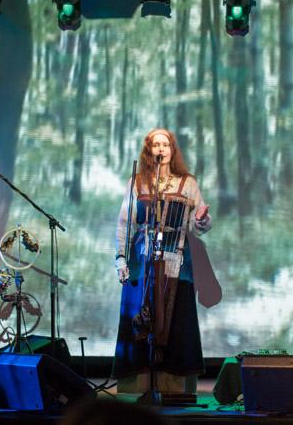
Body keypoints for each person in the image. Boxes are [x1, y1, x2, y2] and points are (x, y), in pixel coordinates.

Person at [114, 128, 212, 394]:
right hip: (142, 262)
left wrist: (202, 220)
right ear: (149, 151)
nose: (160, 149)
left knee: (176, 320)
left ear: (172, 150)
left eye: (165, 144)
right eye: (155, 145)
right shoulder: (137, 182)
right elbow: (125, 222)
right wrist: (121, 258)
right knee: (139, 320)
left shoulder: (187, 183)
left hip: (177, 262)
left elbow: (200, 222)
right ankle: (138, 387)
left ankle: (174, 389)